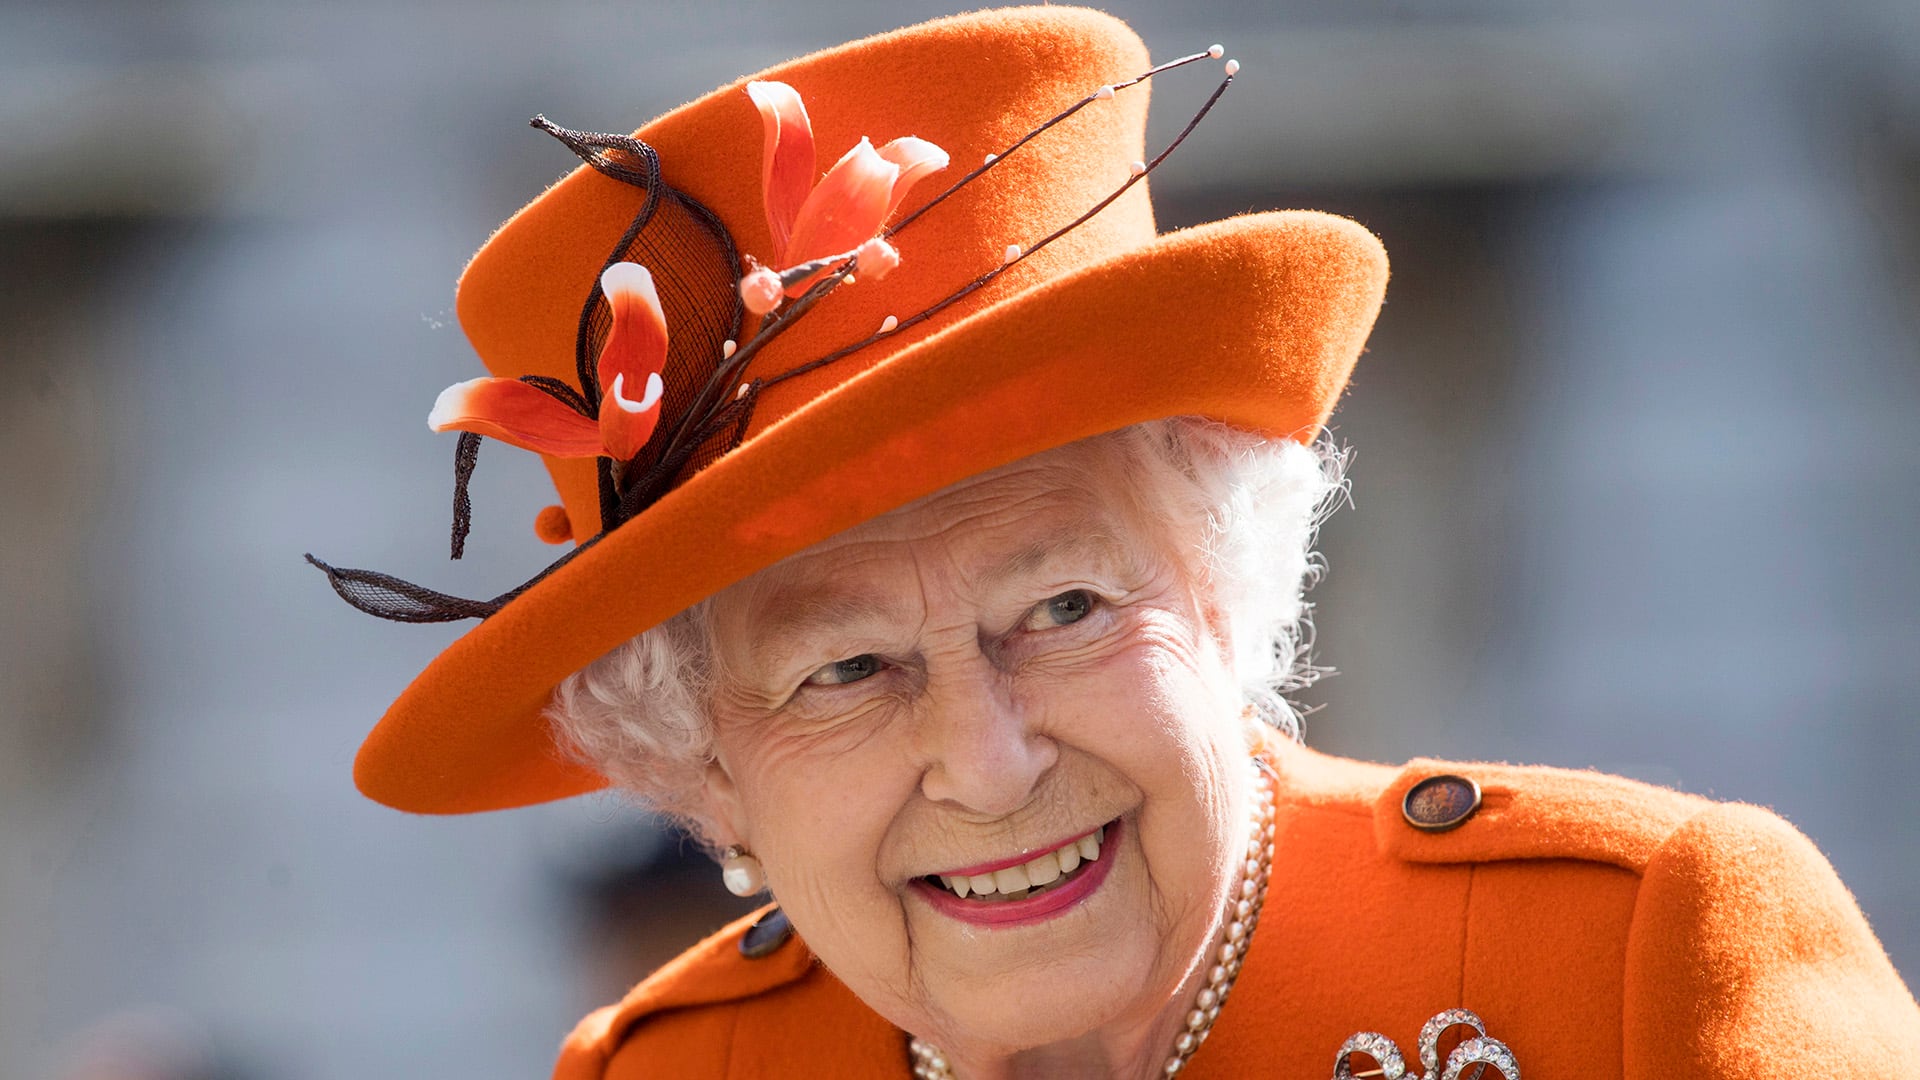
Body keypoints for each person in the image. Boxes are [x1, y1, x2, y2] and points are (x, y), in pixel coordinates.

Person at [311, 7, 1920, 1077]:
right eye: (847, 670)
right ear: (706, 776)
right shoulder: (679, 1070)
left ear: (1224, 593)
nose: (992, 763)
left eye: (1065, 603)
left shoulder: (1635, 961)